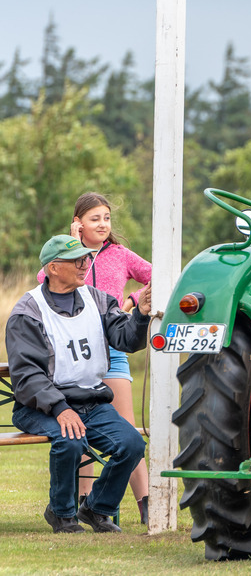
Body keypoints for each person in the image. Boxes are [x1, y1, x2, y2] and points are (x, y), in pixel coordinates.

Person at [8, 235, 152, 534]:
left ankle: (97, 508)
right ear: (53, 268)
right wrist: (60, 408)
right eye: (76, 260)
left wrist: (140, 315)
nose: (85, 264)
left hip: (90, 401)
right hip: (40, 406)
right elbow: (26, 375)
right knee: (71, 441)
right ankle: (62, 514)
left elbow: (126, 339)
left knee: (132, 444)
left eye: (86, 258)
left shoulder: (98, 299)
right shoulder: (28, 311)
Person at [37, 192, 152, 524]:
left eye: (106, 218)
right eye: (94, 219)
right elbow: (45, 285)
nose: (102, 224)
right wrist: (73, 245)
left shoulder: (120, 255)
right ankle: (87, 502)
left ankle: (145, 502)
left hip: (112, 347)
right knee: (80, 428)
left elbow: (158, 276)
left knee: (125, 427)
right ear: (78, 223)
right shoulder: (62, 256)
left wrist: (132, 300)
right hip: (70, 350)